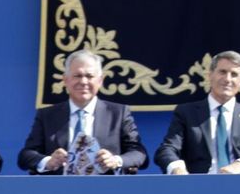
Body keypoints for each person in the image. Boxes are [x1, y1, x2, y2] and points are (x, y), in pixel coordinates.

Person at [19, 50, 147, 174]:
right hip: (58, 190)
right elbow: (26, 156)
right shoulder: (47, 115)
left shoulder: (118, 113)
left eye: (89, 76)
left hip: (107, 189)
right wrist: (48, 161)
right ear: (65, 80)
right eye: (77, 76)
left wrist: (116, 160)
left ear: (100, 80)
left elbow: (139, 154)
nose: (83, 82)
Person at [155, 50, 240, 174]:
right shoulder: (186, 113)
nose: (227, 79)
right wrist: (177, 168)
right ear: (210, 75)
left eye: (234, 74)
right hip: (198, 186)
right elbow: (167, 149)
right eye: (222, 72)